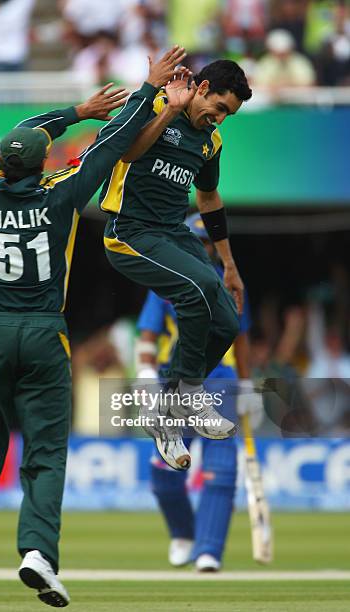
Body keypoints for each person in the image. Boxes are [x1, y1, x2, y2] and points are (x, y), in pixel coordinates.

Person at [0, 45, 188, 607]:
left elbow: (26, 126)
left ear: (3, 164)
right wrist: (150, 89)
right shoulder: (62, 192)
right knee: (47, 450)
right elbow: (110, 148)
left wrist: (76, 110)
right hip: (44, 331)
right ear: (40, 164)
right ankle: (36, 553)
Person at [100, 58, 252, 470]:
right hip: (130, 231)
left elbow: (208, 199)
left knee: (225, 318)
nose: (218, 119)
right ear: (201, 88)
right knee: (199, 287)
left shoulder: (210, 143)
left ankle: (167, 412)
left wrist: (230, 266)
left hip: (173, 233)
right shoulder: (155, 107)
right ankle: (186, 394)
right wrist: (168, 107)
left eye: (228, 115)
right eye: (218, 108)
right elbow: (126, 151)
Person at [136, 214, 262, 572]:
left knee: (221, 471)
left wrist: (248, 384)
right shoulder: (164, 280)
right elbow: (147, 335)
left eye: (208, 243)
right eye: (197, 242)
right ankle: (183, 533)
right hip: (175, 380)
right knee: (163, 469)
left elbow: (241, 337)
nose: (203, 250)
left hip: (219, 379)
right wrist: (145, 374)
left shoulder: (230, 282)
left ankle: (209, 550)